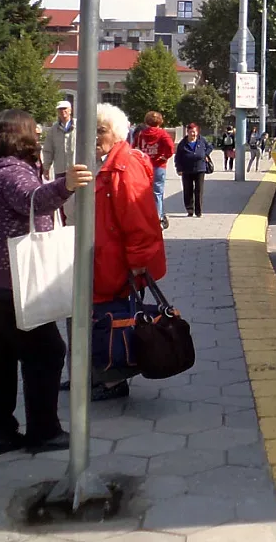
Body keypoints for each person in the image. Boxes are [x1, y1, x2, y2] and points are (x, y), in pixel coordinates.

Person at [0, 109, 93, 453]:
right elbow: (30, 201)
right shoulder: (13, 173)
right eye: (34, 132)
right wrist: (65, 185)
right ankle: (44, 431)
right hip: (13, 283)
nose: (38, 136)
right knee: (47, 351)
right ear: (21, 137)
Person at [92, 103, 167, 401]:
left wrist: (137, 265)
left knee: (114, 320)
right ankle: (105, 376)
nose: (96, 136)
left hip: (117, 266)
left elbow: (139, 221)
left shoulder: (124, 166)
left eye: (102, 130)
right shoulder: (107, 161)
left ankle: (114, 380)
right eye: (93, 129)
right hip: (106, 260)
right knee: (106, 318)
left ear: (118, 134)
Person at [133, 111, 175, 230]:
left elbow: (133, 147)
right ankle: (158, 217)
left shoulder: (141, 134)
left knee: (142, 192)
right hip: (158, 166)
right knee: (158, 192)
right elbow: (170, 147)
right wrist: (164, 156)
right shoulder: (162, 133)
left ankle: (144, 216)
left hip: (143, 165)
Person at [174, 123, 213, 218]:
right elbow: (178, 157)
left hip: (200, 169)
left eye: (195, 132)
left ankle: (198, 211)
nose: (193, 134)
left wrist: (205, 154)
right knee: (188, 190)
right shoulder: (182, 144)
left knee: (199, 190)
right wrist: (179, 169)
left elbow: (210, 147)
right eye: (191, 132)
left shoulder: (201, 140)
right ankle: (190, 209)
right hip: (186, 170)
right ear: (187, 132)